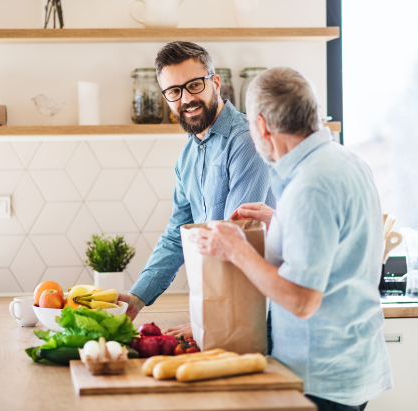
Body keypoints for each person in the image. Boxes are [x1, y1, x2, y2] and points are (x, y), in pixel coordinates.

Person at [189, 67, 393, 411]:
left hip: (320, 379)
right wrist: (280, 221)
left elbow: (302, 300)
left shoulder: (309, 186)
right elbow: (336, 240)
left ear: (262, 126)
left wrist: (237, 250)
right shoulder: (346, 161)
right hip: (352, 365)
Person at [119, 42, 275, 337]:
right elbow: (177, 236)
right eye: (174, 91)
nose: (186, 98)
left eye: (194, 85)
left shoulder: (246, 140)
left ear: (215, 83)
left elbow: (238, 239)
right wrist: (136, 299)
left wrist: (210, 321)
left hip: (260, 315)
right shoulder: (187, 157)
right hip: (220, 309)